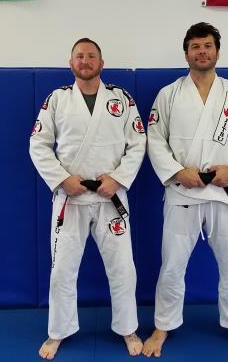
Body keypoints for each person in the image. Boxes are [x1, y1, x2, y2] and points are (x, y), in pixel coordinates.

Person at [142, 23, 228, 359]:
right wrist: (177, 172)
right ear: (186, 54)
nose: (202, 52)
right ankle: (163, 325)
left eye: (208, 46)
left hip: (225, 191)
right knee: (172, 266)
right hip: (183, 191)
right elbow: (155, 140)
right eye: (195, 46)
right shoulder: (168, 95)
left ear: (217, 52)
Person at [30, 38, 146, 359]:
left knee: (123, 268)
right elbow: (38, 144)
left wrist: (118, 179)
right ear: (71, 64)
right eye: (79, 56)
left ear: (101, 63)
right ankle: (58, 331)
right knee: (62, 270)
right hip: (71, 197)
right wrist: (62, 179)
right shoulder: (57, 99)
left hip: (111, 197)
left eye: (91, 56)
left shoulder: (121, 99)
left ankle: (128, 328)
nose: (85, 60)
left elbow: (138, 142)